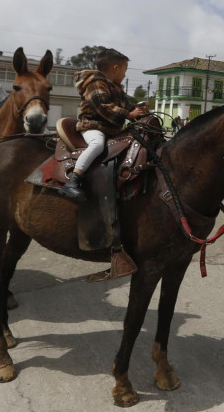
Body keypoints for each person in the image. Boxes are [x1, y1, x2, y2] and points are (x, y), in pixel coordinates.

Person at [60, 48, 146, 278]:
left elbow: (126, 105)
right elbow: (101, 106)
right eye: (125, 71)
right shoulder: (94, 82)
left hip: (111, 129)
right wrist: (127, 116)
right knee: (97, 146)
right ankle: (75, 179)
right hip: (92, 128)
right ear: (115, 68)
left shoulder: (115, 86)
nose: (126, 76)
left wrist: (137, 110)